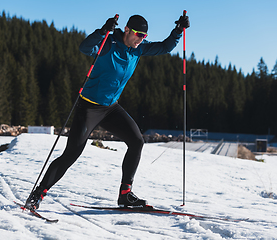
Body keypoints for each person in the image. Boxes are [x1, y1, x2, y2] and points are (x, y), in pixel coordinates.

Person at [25, 13, 190, 210]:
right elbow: (85, 48)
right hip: (88, 107)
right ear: (127, 30)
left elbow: (164, 47)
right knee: (72, 153)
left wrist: (178, 31)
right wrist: (102, 31)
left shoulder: (138, 49)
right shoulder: (109, 43)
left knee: (137, 142)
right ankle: (38, 194)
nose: (140, 39)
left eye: (144, 36)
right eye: (138, 34)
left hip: (111, 108)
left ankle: (125, 195)